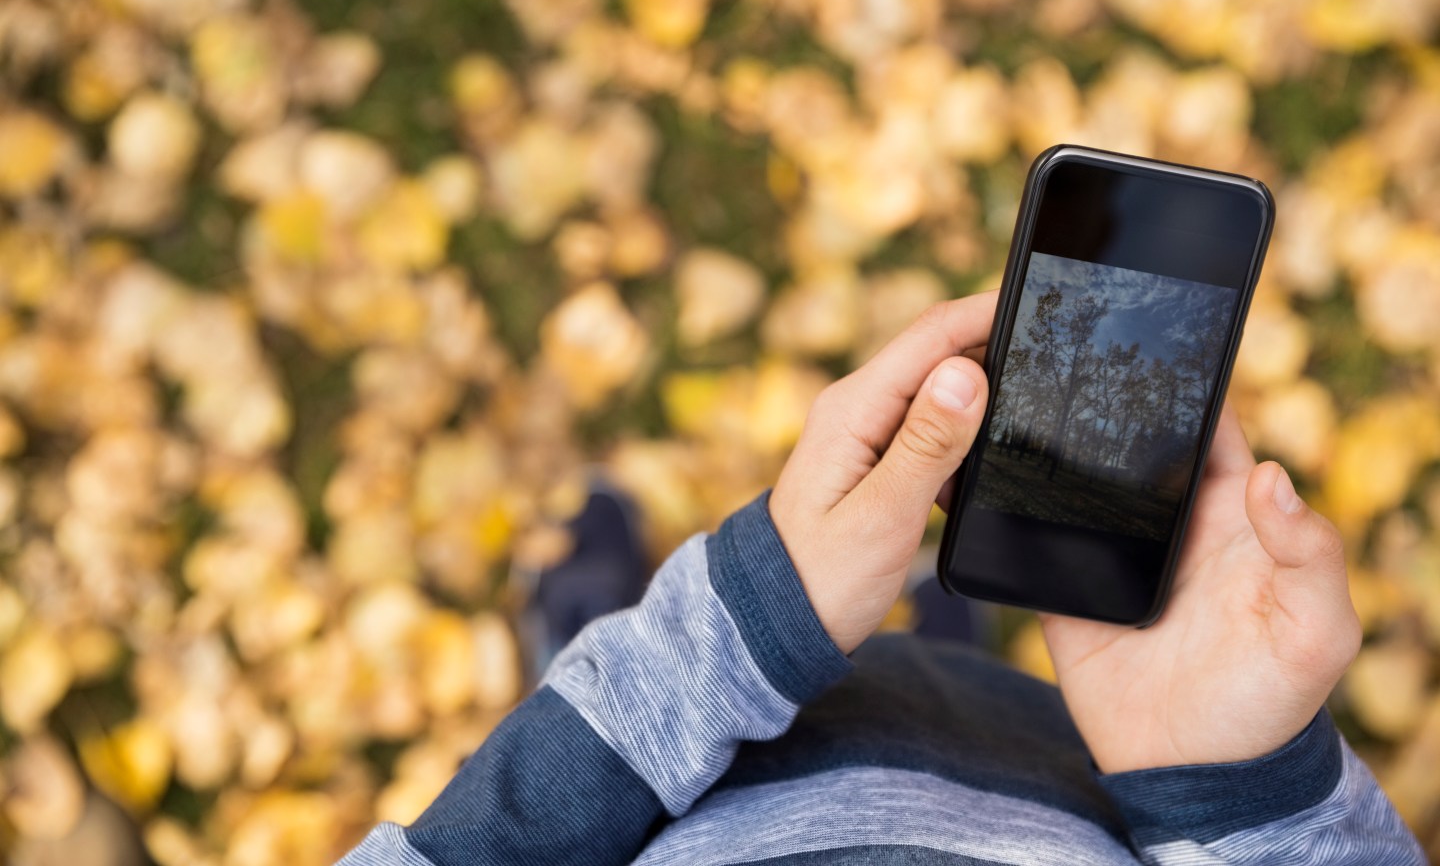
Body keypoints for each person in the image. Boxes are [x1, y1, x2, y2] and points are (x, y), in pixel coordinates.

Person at [337, 290, 1425, 865]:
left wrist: (746, 625)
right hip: (1080, 774)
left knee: (642, 740)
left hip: (700, 804)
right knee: (937, 678)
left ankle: (673, 668)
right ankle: (918, 651)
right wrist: (1238, 793)